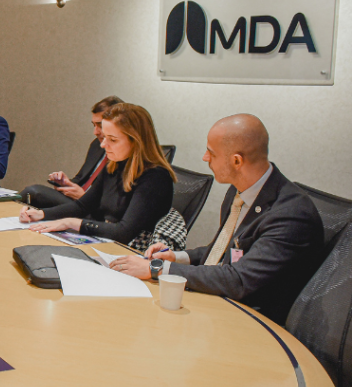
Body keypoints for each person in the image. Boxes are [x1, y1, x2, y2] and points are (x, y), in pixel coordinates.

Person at [109, 114, 324, 325]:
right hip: (220, 303)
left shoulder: (291, 215)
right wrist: (176, 257)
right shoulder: (240, 190)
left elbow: (239, 279)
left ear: (236, 161)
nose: (205, 157)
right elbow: (223, 251)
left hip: (251, 322)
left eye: (211, 152)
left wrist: (156, 268)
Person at [20, 103, 176, 245]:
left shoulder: (155, 177)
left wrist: (70, 222)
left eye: (112, 140)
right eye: (105, 137)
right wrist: (41, 214)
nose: (103, 145)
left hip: (132, 251)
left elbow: (123, 233)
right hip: (106, 241)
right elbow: (82, 206)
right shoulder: (114, 165)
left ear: (136, 141)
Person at [21, 96, 124, 208]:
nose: (95, 132)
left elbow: (115, 203)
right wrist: (66, 183)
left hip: (92, 207)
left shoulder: (124, 156)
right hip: (76, 200)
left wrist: (84, 197)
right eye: (94, 125)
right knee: (32, 203)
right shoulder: (96, 145)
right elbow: (81, 178)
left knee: (34, 192)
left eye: (100, 125)